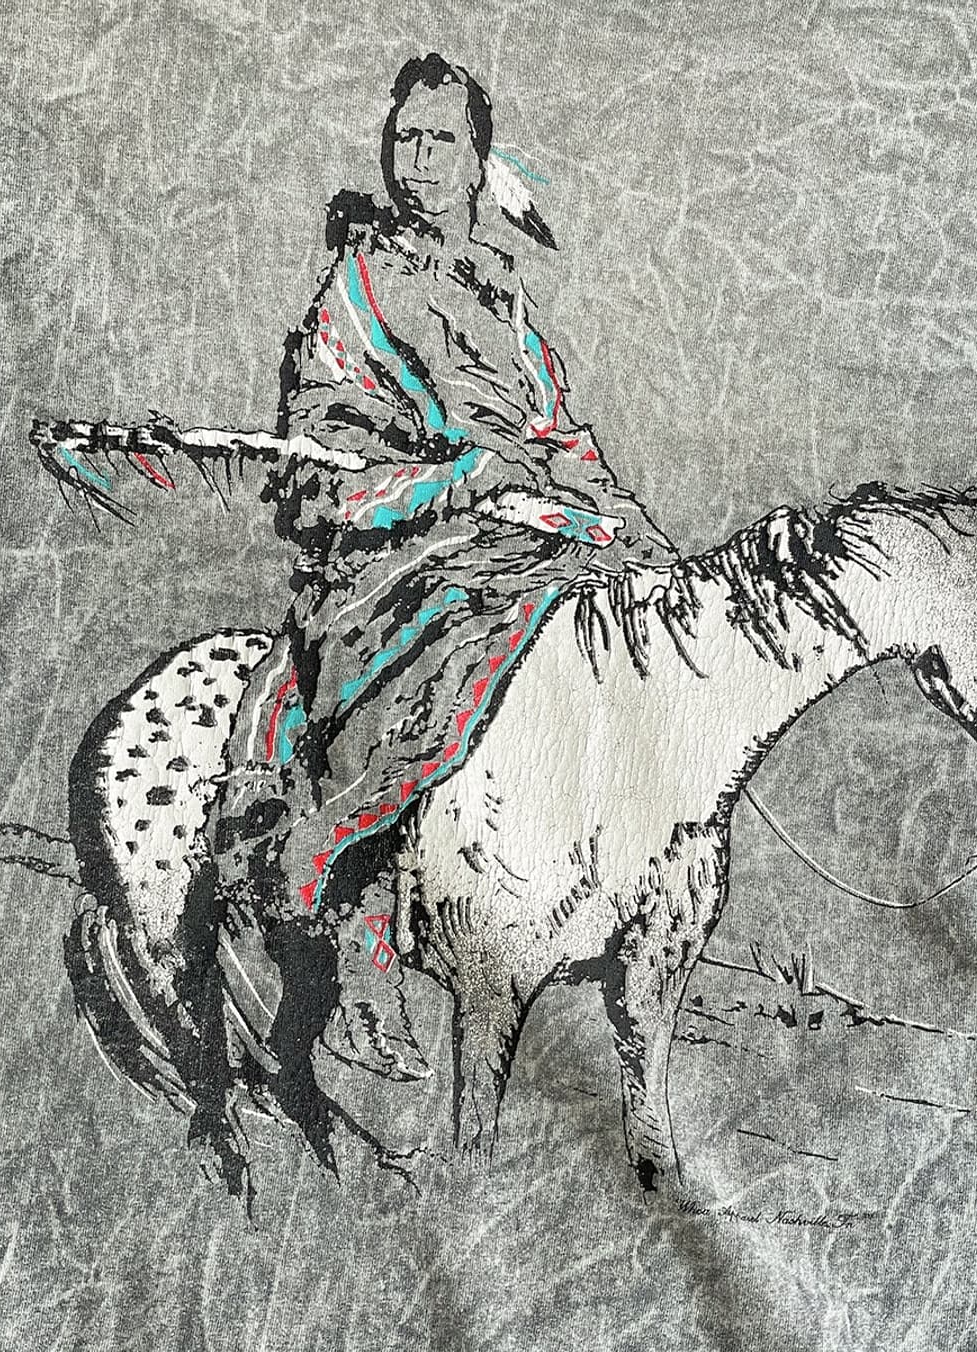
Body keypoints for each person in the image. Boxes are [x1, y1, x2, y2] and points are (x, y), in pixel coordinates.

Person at [205, 52, 676, 1110]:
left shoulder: (502, 291)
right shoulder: (357, 287)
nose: (417, 160)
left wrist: (631, 524)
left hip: (525, 538)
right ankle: (351, 905)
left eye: (440, 141)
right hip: (394, 559)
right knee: (457, 647)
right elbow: (317, 475)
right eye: (403, 139)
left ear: (478, 160)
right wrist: (458, 480)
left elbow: (556, 435)